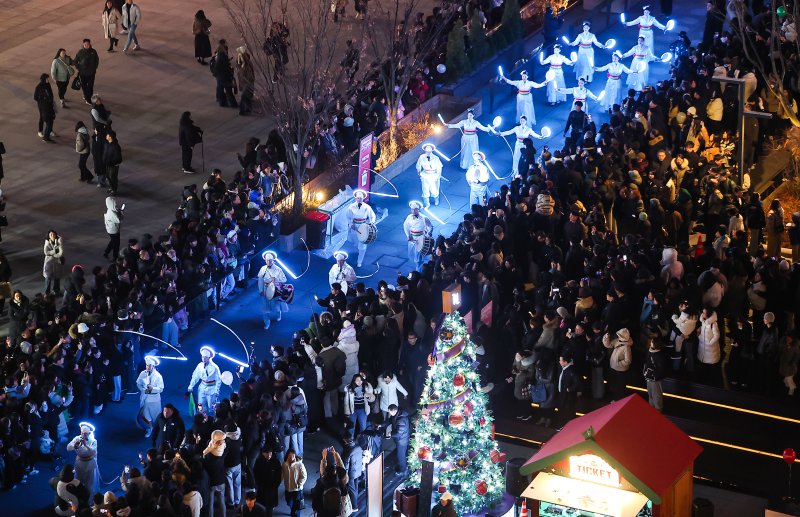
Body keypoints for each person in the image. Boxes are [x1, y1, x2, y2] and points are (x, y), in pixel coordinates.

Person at [66, 423, 100, 499]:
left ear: (89, 433)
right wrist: (74, 446)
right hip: (79, 462)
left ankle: (89, 499)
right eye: (82, 433)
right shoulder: (77, 438)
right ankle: (78, 497)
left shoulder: (93, 441)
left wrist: (85, 445)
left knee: (89, 482)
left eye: (85, 434)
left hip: (89, 463)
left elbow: (93, 452)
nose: (83, 435)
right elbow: (68, 448)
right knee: (78, 480)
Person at [257, 250, 288, 329]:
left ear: (273, 260)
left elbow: (284, 279)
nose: (269, 262)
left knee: (277, 306)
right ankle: (267, 323)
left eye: (270, 260)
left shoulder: (278, 269)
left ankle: (278, 314)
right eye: (267, 260)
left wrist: (276, 279)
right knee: (265, 308)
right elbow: (260, 280)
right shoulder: (263, 269)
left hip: (276, 291)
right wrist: (261, 290)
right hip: (265, 290)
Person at [186, 346, 221, 415]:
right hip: (202, 388)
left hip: (212, 389)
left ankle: (214, 418)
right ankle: (203, 418)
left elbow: (218, 380)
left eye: (205, 357)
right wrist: (191, 385)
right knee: (200, 405)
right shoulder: (199, 366)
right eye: (202, 357)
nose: (203, 359)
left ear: (209, 357)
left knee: (212, 407)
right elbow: (195, 376)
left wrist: (217, 390)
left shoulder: (215, 367)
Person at [136, 355, 164, 439]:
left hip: (154, 400)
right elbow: (138, 383)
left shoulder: (158, 376)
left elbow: (161, 388)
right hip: (144, 399)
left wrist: (153, 388)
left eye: (149, 365)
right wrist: (143, 390)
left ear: (153, 366)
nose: (147, 367)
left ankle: (158, 430)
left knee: (156, 416)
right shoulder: (143, 373)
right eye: (146, 365)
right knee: (145, 416)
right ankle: (149, 428)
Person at [347, 190, 377, 267]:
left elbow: (373, 216)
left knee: (362, 245)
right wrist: (351, 224)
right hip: (354, 226)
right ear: (355, 198)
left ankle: (359, 261)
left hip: (363, 226)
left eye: (360, 198)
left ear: (363, 198)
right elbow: (348, 217)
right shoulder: (351, 207)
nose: (359, 199)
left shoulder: (367, 207)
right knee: (355, 241)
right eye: (358, 198)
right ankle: (358, 247)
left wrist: (372, 222)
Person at [202, 429, 227, 517]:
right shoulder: (222, 454)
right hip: (221, 481)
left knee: (210, 503)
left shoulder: (208, 458)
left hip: (212, 483)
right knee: (222, 501)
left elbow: (204, 456)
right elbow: (225, 446)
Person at [403, 200, 433, 271]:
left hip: (421, 238)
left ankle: (419, 270)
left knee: (418, 256)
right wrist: (408, 235)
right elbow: (405, 226)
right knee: (413, 254)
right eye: (412, 209)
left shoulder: (424, 218)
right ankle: (418, 268)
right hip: (412, 238)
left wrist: (429, 233)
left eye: (415, 209)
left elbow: (430, 226)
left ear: (418, 209)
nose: (413, 211)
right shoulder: (409, 217)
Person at [253, 446, 282, 516]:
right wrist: (258, 484)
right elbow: (256, 473)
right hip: (263, 487)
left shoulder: (275, 461)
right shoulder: (259, 461)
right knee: (262, 505)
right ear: (263, 453)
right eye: (267, 454)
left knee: (269, 507)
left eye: (270, 454)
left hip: (272, 488)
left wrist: (276, 485)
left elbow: (279, 475)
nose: (269, 456)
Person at [643, 331, 667, 411]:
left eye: (652, 341)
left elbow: (660, 369)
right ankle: (651, 407)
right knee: (650, 393)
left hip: (655, 379)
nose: (651, 342)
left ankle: (658, 409)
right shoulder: (649, 351)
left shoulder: (659, 355)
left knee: (656, 394)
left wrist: (651, 373)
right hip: (649, 377)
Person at [415, 143, 443, 208]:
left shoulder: (436, 158)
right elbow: (418, 165)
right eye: (427, 150)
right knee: (425, 189)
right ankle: (427, 204)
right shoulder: (421, 157)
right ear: (424, 150)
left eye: (429, 150)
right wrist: (419, 172)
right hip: (425, 175)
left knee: (434, 189)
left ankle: (436, 199)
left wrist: (438, 176)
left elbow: (439, 167)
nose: (428, 152)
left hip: (433, 175)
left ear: (432, 150)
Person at [555, 353, 579, 429]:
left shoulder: (571, 370)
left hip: (567, 395)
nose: (559, 362)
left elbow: (577, 382)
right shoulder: (563, 368)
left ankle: (566, 426)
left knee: (567, 410)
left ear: (565, 362)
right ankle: (562, 425)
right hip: (562, 393)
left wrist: (569, 389)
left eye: (561, 360)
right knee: (562, 409)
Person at [212, 40, 238, 108]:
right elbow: (225, 67)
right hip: (224, 77)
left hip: (219, 76)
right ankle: (233, 104)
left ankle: (222, 102)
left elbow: (217, 67)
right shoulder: (223, 57)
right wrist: (230, 72)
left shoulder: (218, 57)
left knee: (220, 89)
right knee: (229, 90)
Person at [282, 449, 307, 517]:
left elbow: (304, 476)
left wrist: (299, 484)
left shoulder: (300, 465)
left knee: (297, 505)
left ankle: (295, 514)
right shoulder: (284, 464)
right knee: (288, 501)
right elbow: (282, 475)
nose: (292, 457)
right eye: (290, 455)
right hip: (288, 488)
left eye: (293, 455)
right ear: (287, 456)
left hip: (297, 489)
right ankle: (293, 510)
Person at [74, 39, 100, 105]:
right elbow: (75, 61)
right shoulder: (80, 52)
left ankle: (89, 98)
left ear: (90, 44)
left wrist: (94, 67)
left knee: (90, 86)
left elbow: (97, 60)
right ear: (83, 45)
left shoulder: (93, 51)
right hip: (83, 73)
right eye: (85, 44)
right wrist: (79, 68)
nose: (86, 46)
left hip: (91, 73)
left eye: (88, 44)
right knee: (84, 86)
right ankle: (87, 98)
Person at [387, 404, 409, 475]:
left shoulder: (401, 420)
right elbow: (390, 421)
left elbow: (398, 433)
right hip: (400, 439)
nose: (389, 414)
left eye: (390, 412)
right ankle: (403, 467)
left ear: (394, 411)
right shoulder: (397, 415)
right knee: (401, 454)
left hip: (402, 441)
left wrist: (390, 434)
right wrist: (381, 425)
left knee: (401, 456)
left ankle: (403, 470)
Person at [34, 73, 56, 142]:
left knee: (51, 117)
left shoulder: (48, 84)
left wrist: (51, 99)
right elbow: (35, 97)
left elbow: (50, 92)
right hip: (42, 105)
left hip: (49, 103)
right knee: (42, 117)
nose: (48, 80)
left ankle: (50, 130)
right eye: (47, 79)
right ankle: (40, 131)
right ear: (43, 79)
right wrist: (42, 102)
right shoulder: (38, 87)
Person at [236, 46, 256, 116]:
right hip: (246, 83)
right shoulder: (244, 65)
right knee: (246, 97)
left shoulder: (245, 65)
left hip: (247, 83)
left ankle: (245, 109)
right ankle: (246, 109)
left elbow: (248, 75)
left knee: (245, 97)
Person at [103, 195, 124, 260]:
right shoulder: (112, 213)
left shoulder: (110, 210)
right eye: (114, 203)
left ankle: (106, 252)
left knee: (113, 241)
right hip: (114, 231)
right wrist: (121, 212)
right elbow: (119, 220)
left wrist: (118, 211)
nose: (115, 204)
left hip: (110, 230)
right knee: (116, 244)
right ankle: (115, 257)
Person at [43, 229, 64, 295]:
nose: (52, 235)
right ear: (49, 236)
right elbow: (46, 252)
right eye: (51, 234)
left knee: (57, 277)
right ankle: (47, 293)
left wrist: (52, 252)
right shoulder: (47, 243)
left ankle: (56, 291)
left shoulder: (59, 241)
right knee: (48, 277)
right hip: (49, 263)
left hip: (57, 263)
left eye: (53, 234)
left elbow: (60, 253)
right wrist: (55, 251)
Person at [103, 130, 122, 195]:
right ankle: (111, 187)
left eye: (107, 135)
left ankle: (114, 190)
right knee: (108, 176)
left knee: (113, 177)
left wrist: (111, 162)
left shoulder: (116, 146)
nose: (106, 136)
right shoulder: (107, 143)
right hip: (107, 164)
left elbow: (118, 158)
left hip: (113, 165)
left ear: (110, 137)